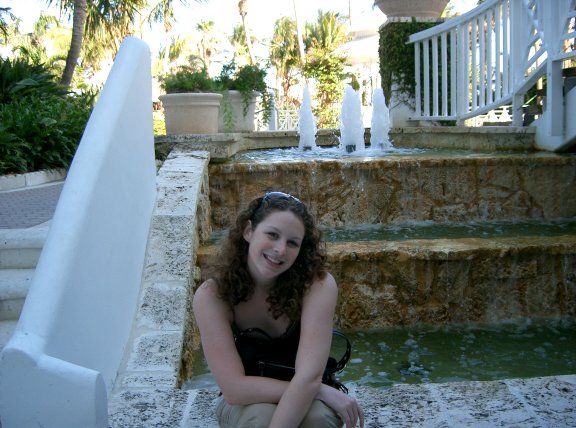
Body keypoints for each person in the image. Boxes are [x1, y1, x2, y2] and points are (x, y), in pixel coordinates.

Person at [193, 191, 364, 428]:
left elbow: (308, 377)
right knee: (259, 418)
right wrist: (322, 391)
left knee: (318, 419)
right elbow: (234, 389)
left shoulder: (317, 285)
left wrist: (314, 388)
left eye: (292, 243)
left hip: (309, 391)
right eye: (272, 235)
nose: (280, 249)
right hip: (247, 399)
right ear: (248, 231)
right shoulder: (212, 296)